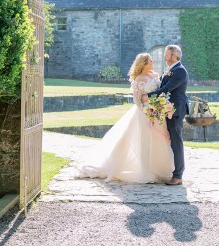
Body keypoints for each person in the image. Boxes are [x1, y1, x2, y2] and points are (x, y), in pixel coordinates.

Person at [76, 53, 174, 183]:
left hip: (157, 113)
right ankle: (146, 170)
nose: (153, 63)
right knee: (145, 142)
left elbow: (160, 92)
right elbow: (137, 99)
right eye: (150, 61)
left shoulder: (156, 76)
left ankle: (160, 169)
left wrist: (158, 107)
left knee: (160, 140)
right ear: (144, 64)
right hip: (144, 114)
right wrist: (147, 112)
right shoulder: (139, 79)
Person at [145, 44, 189, 186]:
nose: (164, 56)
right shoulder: (171, 70)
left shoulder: (180, 71)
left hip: (175, 110)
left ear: (174, 56)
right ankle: (170, 170)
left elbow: (167, 89)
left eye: (167, 54)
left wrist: (148, 96)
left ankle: (178, 175)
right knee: (169, 140)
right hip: (167, 109)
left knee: (176, 141)